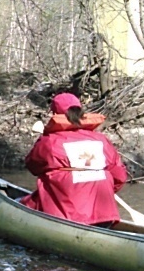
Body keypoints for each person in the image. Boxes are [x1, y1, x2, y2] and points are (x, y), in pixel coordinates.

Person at [21, 92, 127, 227]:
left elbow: (32, 165)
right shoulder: (101, 140)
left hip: (63, 216)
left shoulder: (49, 142)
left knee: (25, 203)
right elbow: (120, 176)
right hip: (104, 216)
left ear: (55, 115)